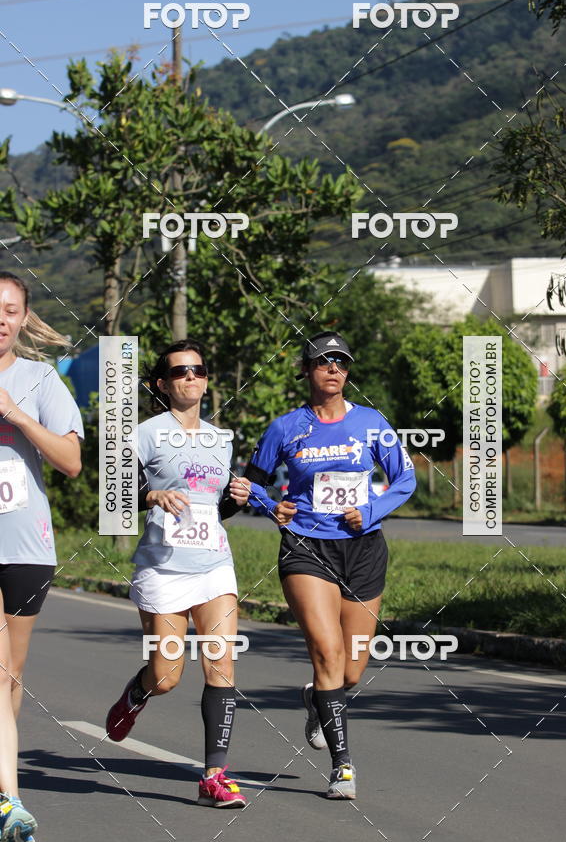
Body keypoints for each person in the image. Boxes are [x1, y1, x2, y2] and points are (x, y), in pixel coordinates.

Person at [245, 331, 416, 800]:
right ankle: (343, 767)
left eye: (341, 361)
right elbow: (251, 483)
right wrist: (269, 507)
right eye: (324, 361)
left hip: (363, 549)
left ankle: (317, 700)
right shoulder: (285, 427)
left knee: (352, 671)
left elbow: (405, 478)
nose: (334, 368)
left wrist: (373, 510)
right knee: (326, 653)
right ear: (306, 370)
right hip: (306, 548)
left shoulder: (371, 423)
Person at [105, 339, 252, 809]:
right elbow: (115, 497)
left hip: (213, 565)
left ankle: (215, 775)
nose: (191, 377)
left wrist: (237, 497)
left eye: (199, 370)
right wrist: (154, 497)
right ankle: (136, 693)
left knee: (221, 667)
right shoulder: (146, 433)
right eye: (181, 371)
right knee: (168, 676)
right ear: (163, 384)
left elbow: (215, 509)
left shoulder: (221, 438)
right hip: (163, 568)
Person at [0, 271, 83, 842]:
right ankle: (10, 797)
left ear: (24, 318)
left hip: (27, 549)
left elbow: (72, 462)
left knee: (10, 676)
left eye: (10, 310)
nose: (0, 318)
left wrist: (18, 416)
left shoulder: (39, 379)